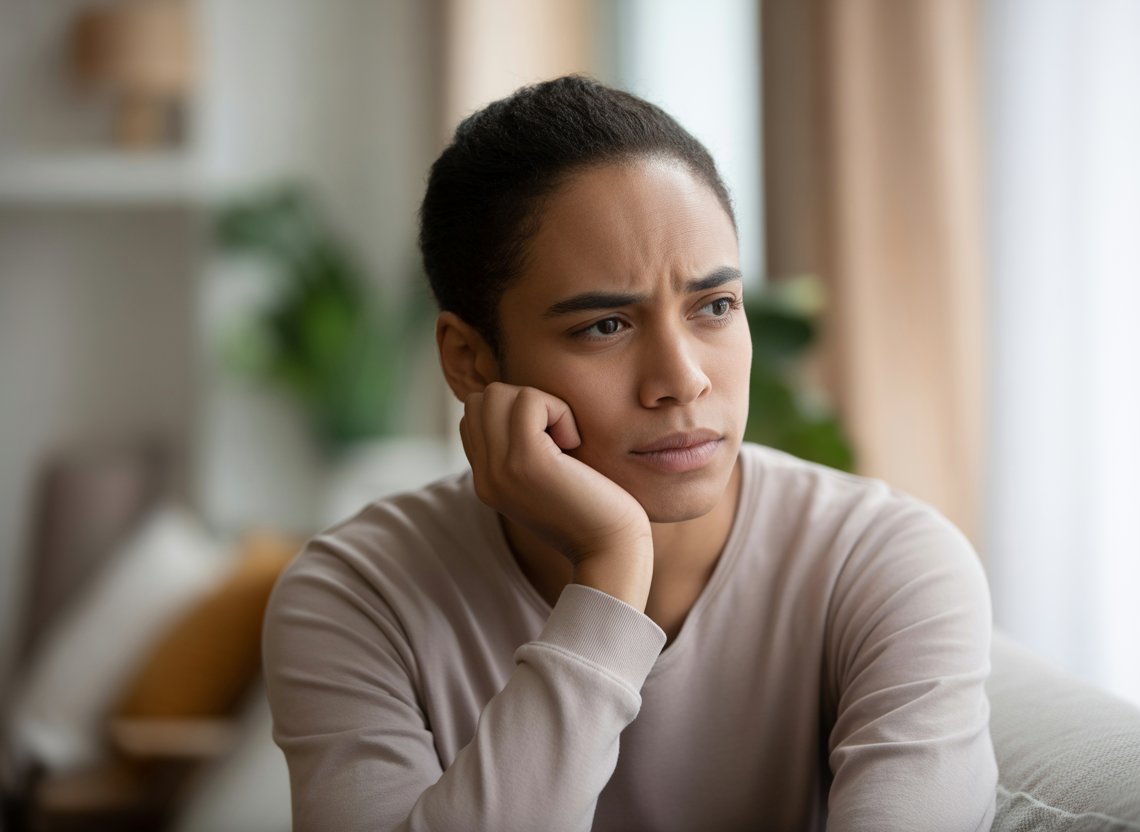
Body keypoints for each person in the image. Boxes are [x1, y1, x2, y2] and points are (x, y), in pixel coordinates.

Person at [262, 75, 997, 832]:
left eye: (715, 307)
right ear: (470, 360)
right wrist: (611, 572)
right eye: (605, 326)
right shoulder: (357, 598)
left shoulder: (883, 564)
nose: (683, 379)